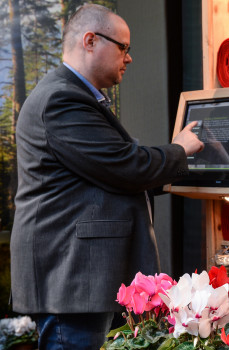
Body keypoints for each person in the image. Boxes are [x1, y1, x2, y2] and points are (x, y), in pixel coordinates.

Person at [9, 4, 204, 349]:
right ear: (90, 41)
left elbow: (110, 174)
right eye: (123, 47)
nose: (128, 58)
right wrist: (180, 150)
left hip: (80, 284)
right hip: (72, 285)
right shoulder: (62, 100)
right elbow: (124, 166)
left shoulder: (73, 96)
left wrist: (182, 168)